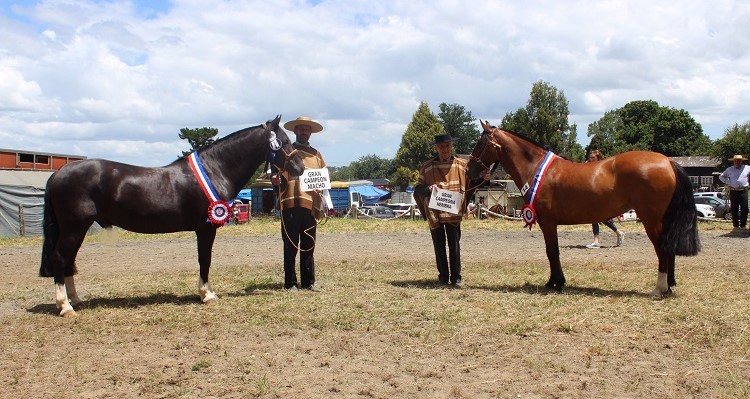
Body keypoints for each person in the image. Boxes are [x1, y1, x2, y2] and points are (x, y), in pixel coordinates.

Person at [271, 116, 326, 291]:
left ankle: (308, 282)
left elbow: (324, 177)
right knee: (290, 245)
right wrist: (275, 181)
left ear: (310, 133)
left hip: (310, 205)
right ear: (295, 131)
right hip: (290, 204)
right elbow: (275, 176)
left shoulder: (317, 155)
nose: (304, 132)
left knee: (309, 244)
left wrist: (321, 187)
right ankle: (290, 283)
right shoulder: (286, 152)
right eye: (301, 129)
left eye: (307, 129)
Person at [413, 134, 471, 288]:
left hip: (454, 212)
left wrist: (486, 177)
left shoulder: (462, 165)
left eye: (447, 146)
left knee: (454, 244)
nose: (445, 149)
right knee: (439, 245)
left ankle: (456, 278)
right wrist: (428, 188)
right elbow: (417, 189)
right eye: (441, 146)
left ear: (451, 146)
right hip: (435, 214)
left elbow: (474, 182)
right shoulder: (427, 167)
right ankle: (443, 277)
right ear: (436, 148)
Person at [585, 150, 625, 249]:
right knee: (597, 217)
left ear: (598, 158)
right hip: (595, 197)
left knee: (599, 217)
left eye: (593, 158)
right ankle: (598, 240)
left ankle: (615, 234)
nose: (590, 160)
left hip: (602, 197)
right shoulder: (590, 167)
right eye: (590, 158)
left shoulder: (601, 168)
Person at [718, 154, 750, 230]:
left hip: (743, 191)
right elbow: (721, 176)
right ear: (733, 162)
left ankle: (743, 225)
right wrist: (728, 182)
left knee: (745, 209)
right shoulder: (729, 169)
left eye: (739, 161)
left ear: (741, 161)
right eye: (735, 161)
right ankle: (735, 225)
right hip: (733, 191)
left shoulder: (747, 168)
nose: (737, 162)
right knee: (734, 209)